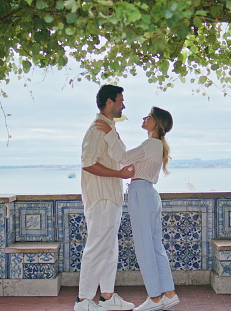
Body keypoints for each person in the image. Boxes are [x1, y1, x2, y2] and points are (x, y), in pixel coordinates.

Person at [95, 106, 179, 311]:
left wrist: (110, 134)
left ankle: (155, 298)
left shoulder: (151, 143)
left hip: (142, 193)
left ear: (157, 123)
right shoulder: (155, 145)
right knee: (156, 247)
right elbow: (128, 156)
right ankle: (169, 293)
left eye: (149, 116)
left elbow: (122, 158)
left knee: (144, 249)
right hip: (148, 194)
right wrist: (115, 137)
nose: (145, 118)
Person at [76, 84, 137, 311]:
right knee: (97, 247)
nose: (123, 105)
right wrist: (119, 174)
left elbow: (122, 157)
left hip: (111, 198)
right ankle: (83, 301)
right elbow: (88, 163)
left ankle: (107, 296)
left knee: (110, 247)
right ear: (109, 102)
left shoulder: (108, 129)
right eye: (121, 100)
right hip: (101, 198)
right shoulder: (97, 130)